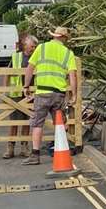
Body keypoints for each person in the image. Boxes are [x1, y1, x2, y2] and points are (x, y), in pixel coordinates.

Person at [21, 25, 79, 165]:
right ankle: (61, 148)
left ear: (54, 36)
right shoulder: (68, 53)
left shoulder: (41, 48)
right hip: (58, 93)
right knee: (60, 123)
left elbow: (30, 68)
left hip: (42, 92)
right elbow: (73, 75)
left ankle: (35, 155)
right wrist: (74, 94)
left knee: (37, 124)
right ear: (64, 38)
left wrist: (26, 86)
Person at [2, 33, 37, 159]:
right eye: (32, 46)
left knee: (28, 122)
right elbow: (7, 73)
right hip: (16, 94)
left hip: (30, 95)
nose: (34, 49)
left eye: (35, 47)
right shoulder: (16, 57)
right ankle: (10, 148)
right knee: (14, 122)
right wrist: (4, 91)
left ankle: (24, 147)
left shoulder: (37, 58)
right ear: (25, 46)